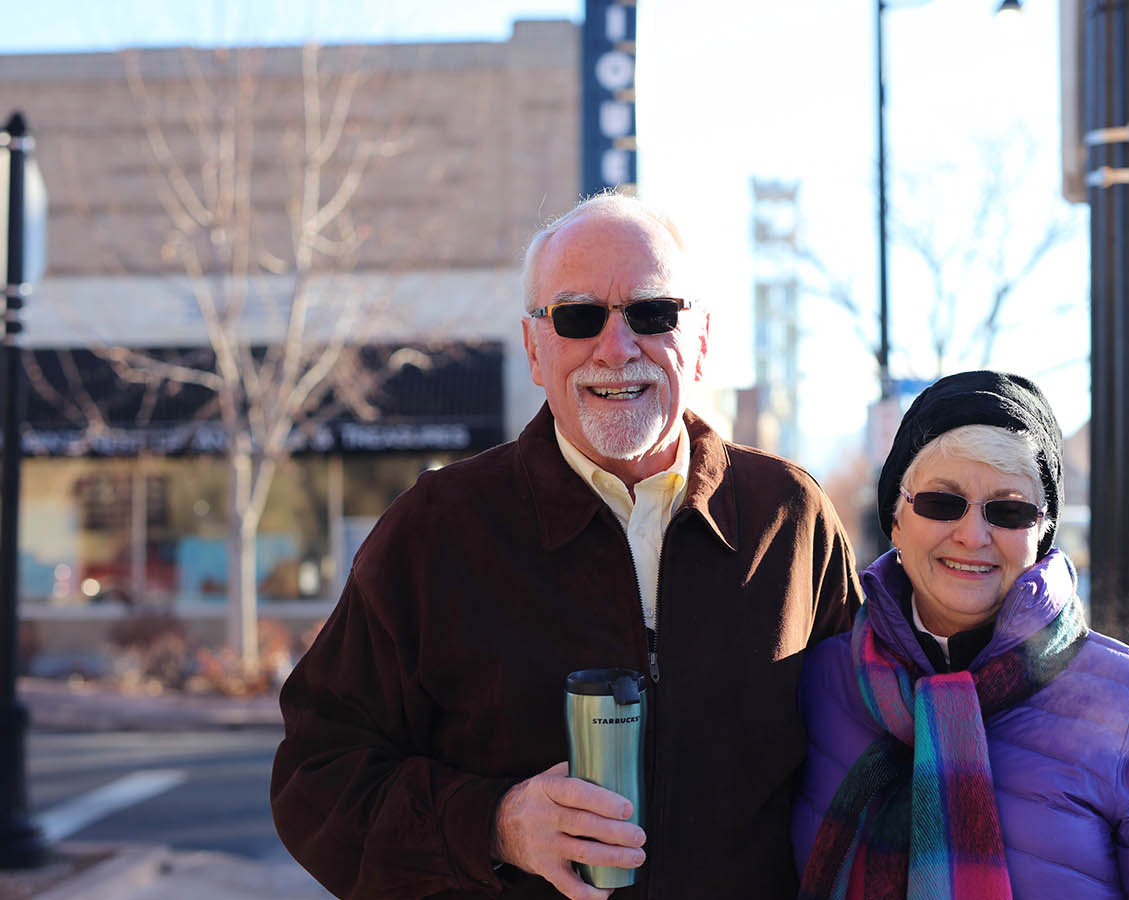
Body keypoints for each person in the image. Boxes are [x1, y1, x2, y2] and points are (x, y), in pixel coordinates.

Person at [271, 193, 861, 900]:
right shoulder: (438, 530)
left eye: (652, 313)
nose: (617, 348)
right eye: (579, 317)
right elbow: (316, 778)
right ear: (534, 348)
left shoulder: (790, 519)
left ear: (700, 338)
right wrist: (491, 826)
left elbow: (863, 761)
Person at [792, 370, 1129, 899]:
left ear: (1042, 534)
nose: (972, 535)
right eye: (942, 502)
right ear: (895, 518)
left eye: (1009, 510)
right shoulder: (819, 681)